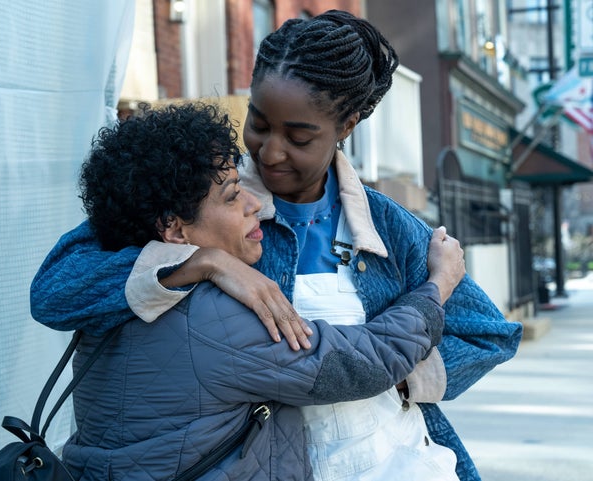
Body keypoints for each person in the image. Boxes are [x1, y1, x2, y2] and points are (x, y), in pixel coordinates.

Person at [30, 10, 522, 481]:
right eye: (260, 123)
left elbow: (488, 334)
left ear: (345, 126)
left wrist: (398, 381)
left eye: (298, 136)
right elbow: (56, 289)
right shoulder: (194, 194)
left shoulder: (390, 229)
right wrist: (201, 261)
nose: (269, 151)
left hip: (394, 461)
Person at [41, 102, 465, 480]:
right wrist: (436, 286)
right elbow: (363, 362)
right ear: (173, 228)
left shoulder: (114, 292)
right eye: (230, 197)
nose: (254, 204)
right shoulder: (213, 320)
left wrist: (207, 259)